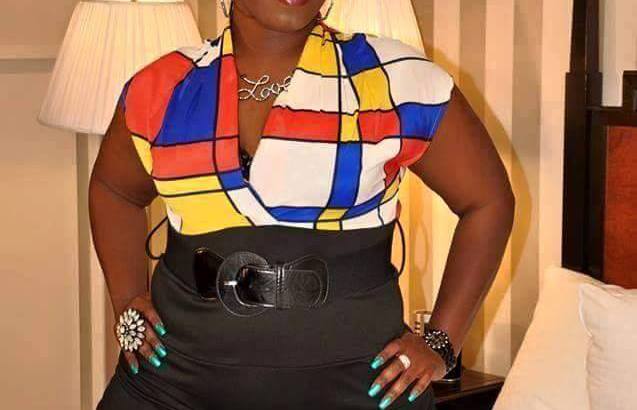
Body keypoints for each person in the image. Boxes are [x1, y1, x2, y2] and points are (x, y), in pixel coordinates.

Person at [89, 0, 515, 409]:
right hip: (172, 385)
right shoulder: (164, 88)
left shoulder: (396, 80)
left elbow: (488, 201)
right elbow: (114, 190)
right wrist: (127, 298)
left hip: (358, 387)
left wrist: (441, 342)